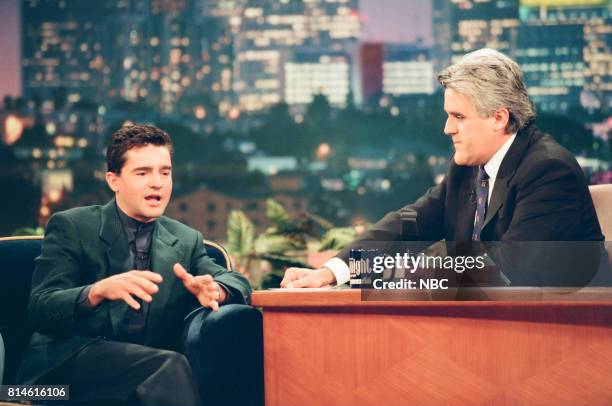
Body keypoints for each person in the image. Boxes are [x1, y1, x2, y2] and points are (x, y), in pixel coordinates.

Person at [281, 48, 604, 289]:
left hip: (566, 336)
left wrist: (395, 274)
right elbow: (411, 224)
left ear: (499, 118)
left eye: (459, 117)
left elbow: (506, 271)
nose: (447, 128)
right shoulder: (468, 167)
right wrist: (334, 271)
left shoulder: (547, 171)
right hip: (488, 327)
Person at [17, 125, 261, 406]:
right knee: (167, 369)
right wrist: (96, 291)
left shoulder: (184, 240)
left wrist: (217, 289)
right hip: (57, 380)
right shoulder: (72, 226)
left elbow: (236, 280)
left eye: (165, 172)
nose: (157, 183)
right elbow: (41, 308)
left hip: (148, 381)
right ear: (114, 180)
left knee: (166, 372)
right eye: (142, 173)